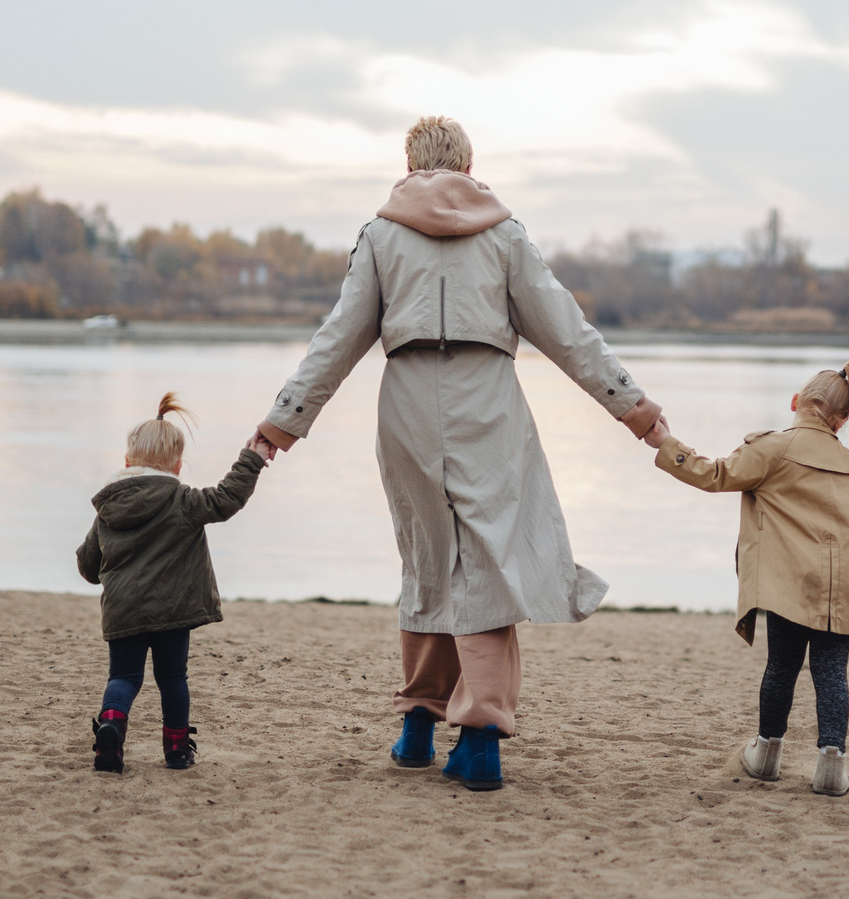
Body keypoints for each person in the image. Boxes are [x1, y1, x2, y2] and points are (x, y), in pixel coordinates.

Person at [256, 116, 664, 792]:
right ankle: (479, 740)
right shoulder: (504, 234)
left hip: (409, 400)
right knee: (488, 560)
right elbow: (567, 331)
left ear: (410, 163)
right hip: (487, 400)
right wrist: (634, 407)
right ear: (470, 165)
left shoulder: (381, 234)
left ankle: (418, 724)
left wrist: (282, 422)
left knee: (426, 554)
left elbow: (337, 339)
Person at [643, 362, 849, 797]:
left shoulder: (774, 449)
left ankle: (766, 756)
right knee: (832, 672)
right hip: (843, 592)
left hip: (790, 588)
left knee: (781, 666)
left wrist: (668, 444)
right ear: (842, 420)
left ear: (797, 403)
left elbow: (715, 475)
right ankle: (832, 768)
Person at [75, 393, 273, 774]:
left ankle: (112, 729)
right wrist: (253, 457)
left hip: (124, 611)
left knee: (123, 677)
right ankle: (178, 751)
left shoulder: (109, 510)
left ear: (127, 462)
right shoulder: (183, 501)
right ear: (178, 466)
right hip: (173, 611)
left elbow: (87, 565)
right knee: (172, 679)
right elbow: (227, 498)